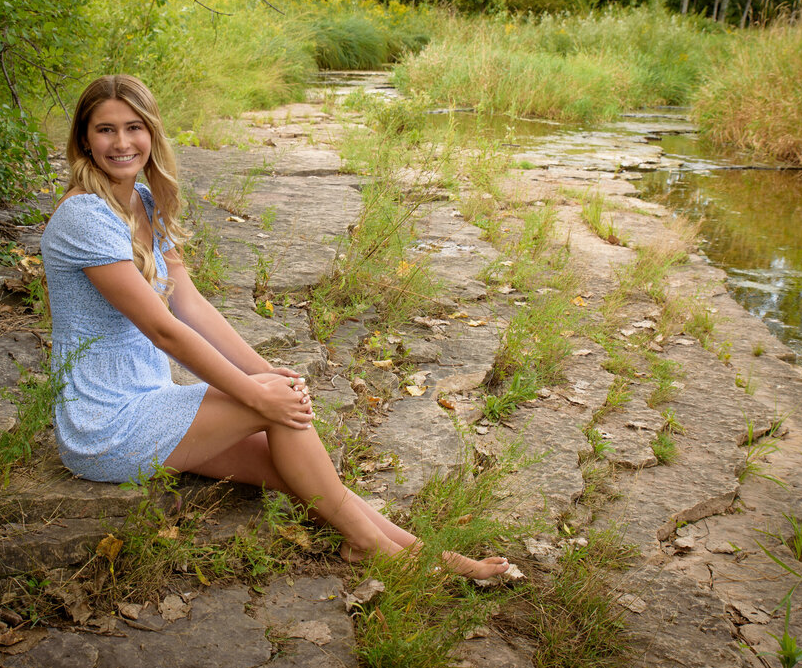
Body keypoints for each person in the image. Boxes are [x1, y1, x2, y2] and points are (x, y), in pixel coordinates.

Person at [41, 74, 508, 578]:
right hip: (105, 425)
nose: (121, 142)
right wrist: (255, 393)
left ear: (152, 133)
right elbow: (165, 331)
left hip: (148, 399)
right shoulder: (85, 216)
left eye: (134, 127)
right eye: (105, 130)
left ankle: (418, 554)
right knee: (275, 409)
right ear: (84, 139)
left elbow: (190, 307)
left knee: (299, 469)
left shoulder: (144, 203)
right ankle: (386, 555)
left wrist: (270, 375)